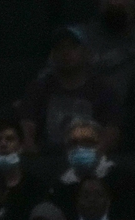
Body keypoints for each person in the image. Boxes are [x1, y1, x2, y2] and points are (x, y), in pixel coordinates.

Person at [18, 26, 122, 154]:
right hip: (47, 158)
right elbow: (28, 121)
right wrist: (30, 147)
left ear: (86, 52)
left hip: (89, 156)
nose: (66, 52)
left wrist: (96, 153)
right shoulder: (39, 87)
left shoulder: (103, 89)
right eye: (59, 48)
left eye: (72, 47)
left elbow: (111, 128)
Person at [51, 118, 135, 220]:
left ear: (101, 145)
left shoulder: (123, 180)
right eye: (73, 143)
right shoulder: (60, 187)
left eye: (88, 143)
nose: (80, 148)